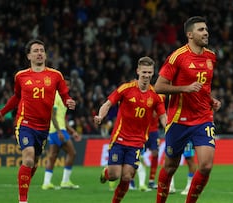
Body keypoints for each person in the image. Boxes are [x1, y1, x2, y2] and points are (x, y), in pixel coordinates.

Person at [0, 39, 76, 203]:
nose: (39, 53)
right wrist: (2, 112)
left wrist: (69, 101)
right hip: (25, 123)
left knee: (34, 162)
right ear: (29, 55)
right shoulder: (21, 76)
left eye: (42, 50)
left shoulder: (56, 75)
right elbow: (16, 97)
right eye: (35, 50)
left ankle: (24, 184)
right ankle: (23, 200)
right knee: (28, 157)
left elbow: (65, 95)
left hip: (43, 127)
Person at [154, 16, 221, 203]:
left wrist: (211, 99)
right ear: (190, 34)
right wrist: (184, 88)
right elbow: (158, 86)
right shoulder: (177, 57)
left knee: (206, 166)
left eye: (206, 29)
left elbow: (204, 87)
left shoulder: (211, 57)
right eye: (201, 30)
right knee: (170, 167)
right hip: (179, 119)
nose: (206, 32)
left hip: (203, 118)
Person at [94, 56, 167, 203]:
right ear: (138, 71)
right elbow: (108, 104)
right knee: (115, 174)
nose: (146, 75)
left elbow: (163, 116)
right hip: (119, 139)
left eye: (149, 72)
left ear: (153, 73)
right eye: (144, 72)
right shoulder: (126, 88)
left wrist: (170, 129)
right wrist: (100, 116)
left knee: (127, 176)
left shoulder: (155, 95)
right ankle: (106, 173)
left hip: (138, 142)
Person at [42, 78, 82, 190]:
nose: (67, 87)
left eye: (68, 85)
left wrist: (72, 131)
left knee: (53, 156)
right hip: (57, 130)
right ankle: (65, 181)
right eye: (66, 85)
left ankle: (46, 183)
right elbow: (52, 115)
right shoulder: (55, 96)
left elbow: (62, 118)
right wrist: (60, 131)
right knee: (72, 153)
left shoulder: (64, 98)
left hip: (56, 129)